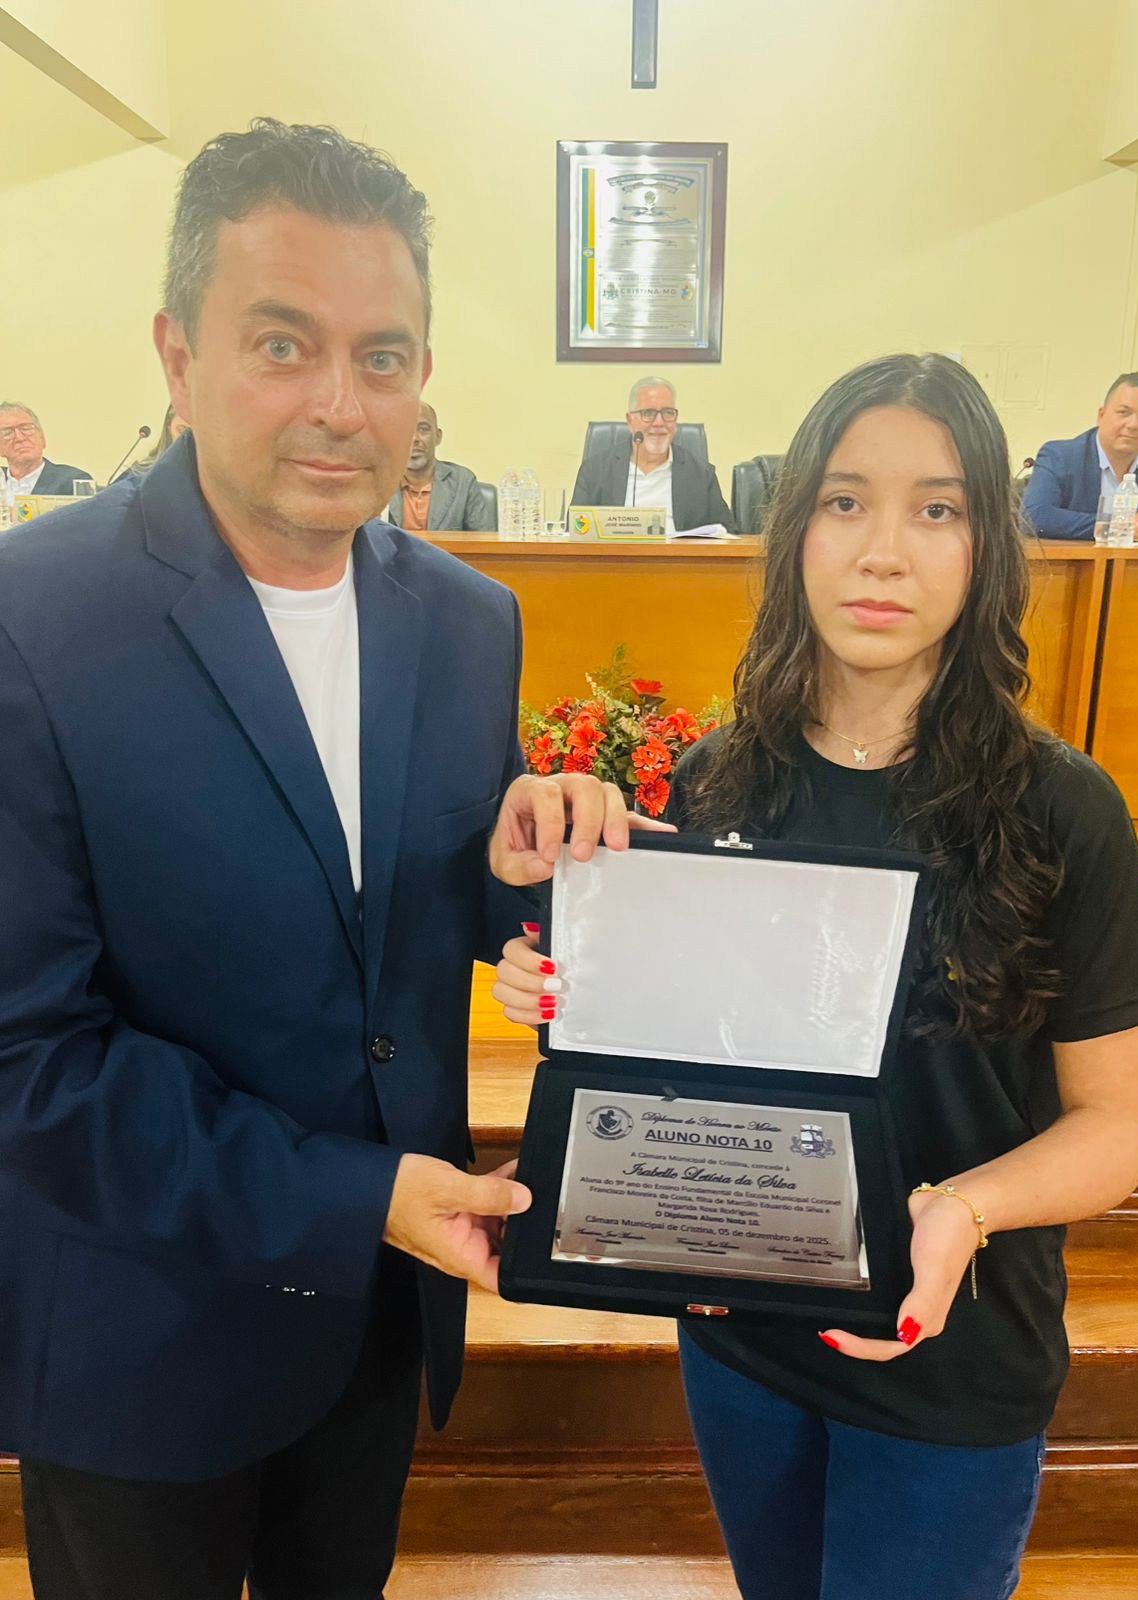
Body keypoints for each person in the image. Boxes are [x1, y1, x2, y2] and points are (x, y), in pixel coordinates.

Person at [0, 117, 651, 1600]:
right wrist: (357, 1197)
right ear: (178, 355)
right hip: (139, 1333)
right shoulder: (30, 618)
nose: (340, 406)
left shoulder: (467, 619)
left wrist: (529, 875)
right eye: (283, 345)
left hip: (372, 1327)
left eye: (383, 356)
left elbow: (408, 903)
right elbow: (27, 1055)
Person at [494, 353, 1138, 1599]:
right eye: (846, 500)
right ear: (796, 529)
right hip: (745, 1344)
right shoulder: (713, 781)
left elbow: (1114, 1129)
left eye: (937, 508)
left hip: (954, 1359)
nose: (883, 552)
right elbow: (686, 1058)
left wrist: (961, 1208)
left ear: (987, 546)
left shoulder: (1064, 808)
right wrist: (572, 994)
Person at [1023, 372, 1138, 541]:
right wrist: (1123, 525)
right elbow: (1035, 517)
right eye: (1124, 412)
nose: (1133, 425)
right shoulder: (1060, 456)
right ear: (1101, 415)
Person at [569, 376, 732, 532]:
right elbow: (575, 529)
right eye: (648, 413)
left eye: (668, 413)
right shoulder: (594, 471)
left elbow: (728, 534)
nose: (659, 422)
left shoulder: (702, 474)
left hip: (676, 552)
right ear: (630, 421)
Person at [386, 400, 495, 531]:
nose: (414, 438)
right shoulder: (379, 481)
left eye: (423, 429)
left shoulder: (462, 482)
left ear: (438, 436)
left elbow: (484, 538)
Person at [0, 400, 92, 494]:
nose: (20, 438)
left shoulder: (73, 481)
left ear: (42, 438)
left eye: (26, 428)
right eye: (7, 433)